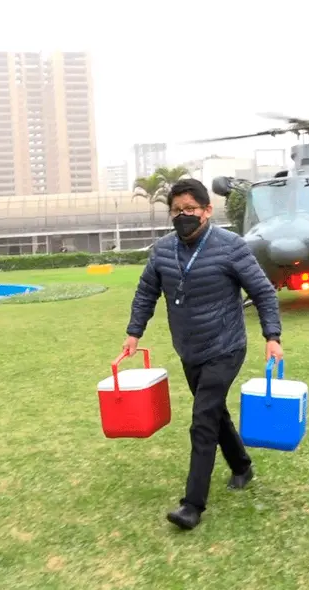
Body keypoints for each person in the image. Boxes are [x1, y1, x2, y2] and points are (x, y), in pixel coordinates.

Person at [122, 178, 283, 531]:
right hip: (189, 348)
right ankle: (241, 466)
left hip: (226, 346)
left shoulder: (231, 247)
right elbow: (146, 292)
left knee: (202, 417)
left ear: (207, 211)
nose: (183, 216)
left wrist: (272, 336)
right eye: (176, 210)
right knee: (213, 412)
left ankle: (192, 505)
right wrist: (134, 333)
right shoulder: (162, 250)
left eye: (190, 209)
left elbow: (263, 292)